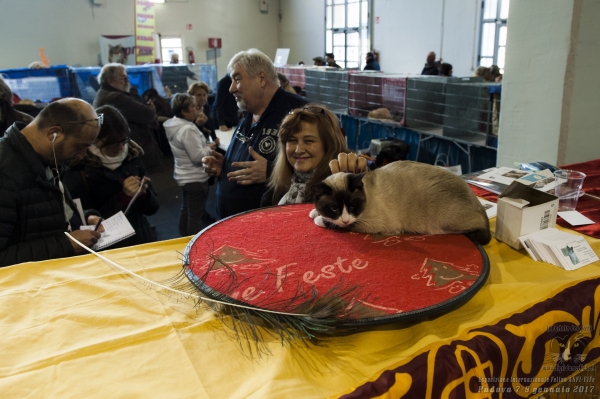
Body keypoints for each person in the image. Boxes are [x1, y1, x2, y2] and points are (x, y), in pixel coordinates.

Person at [202, 48, 308, 219]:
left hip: (271, 225)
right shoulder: (250, 112)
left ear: (261, 78)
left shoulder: (300, 112)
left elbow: (321, 170)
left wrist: (272, 173)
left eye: (237, 79)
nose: (231, 89)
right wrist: (226, 165)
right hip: (233, 222)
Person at [0, 98, 103, 266]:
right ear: (53, 134)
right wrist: (66, 244)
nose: (81, 155)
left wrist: (84, 219)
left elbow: (41, 216)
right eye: (79, 147)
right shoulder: (5, 172)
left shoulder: (46, 158)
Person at [63, 105, 159, 248]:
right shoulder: (78, 167)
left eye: (123, 140)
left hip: (141, 238)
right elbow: (83, 219)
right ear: (95, 140)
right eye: (112, 144)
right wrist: (123, 198)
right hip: (107, 245)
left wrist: (144, 194)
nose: (120, 148)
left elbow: (152, 209)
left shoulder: (132, 157)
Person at [262, 104, 348, 206]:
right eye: (292, 140)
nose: (299, 150)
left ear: (329, 145)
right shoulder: (273, 195)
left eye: (308, 141)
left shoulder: (344, 189)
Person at [93, 63, 163, 173]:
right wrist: (150, 109)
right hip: (130, 151)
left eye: (127, 77)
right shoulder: (116, 97)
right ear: (110, 81)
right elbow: (147, 114)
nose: (127, 81)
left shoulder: (104, 93)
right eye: (123, 78)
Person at [164, 93, 213, 236]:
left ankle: (184, 239)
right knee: (195, 216)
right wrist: (210, 148)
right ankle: (193, 246)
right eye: (193, 106)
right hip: (195, 178)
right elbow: (197, 157)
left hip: (184, 175)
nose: (197, 108)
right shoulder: (188, 129)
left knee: (186, 210)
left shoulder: (175, 124)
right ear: (184, 112)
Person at [187, 82, 220, 147]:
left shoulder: (205, 108)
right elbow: (188, 133)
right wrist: (197, 124)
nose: (202, 98)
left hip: (206, 142)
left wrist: (214, 137)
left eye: (204, 95)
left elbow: (210, 124)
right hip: (194, 145)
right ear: (191, 96)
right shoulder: (188, 111)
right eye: (198, 95)